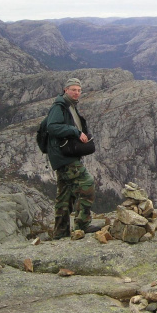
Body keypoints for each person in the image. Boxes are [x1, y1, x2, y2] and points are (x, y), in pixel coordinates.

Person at [46, 77, 97, 239]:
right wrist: (76, 132)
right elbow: (52, 127)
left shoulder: (69, 106)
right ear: (65, 90)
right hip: (64, 157)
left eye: (79, 90)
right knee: (87, 182)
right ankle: (82, 224)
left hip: (64, 156)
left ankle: (60, 233)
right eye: (73, 89)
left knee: (65, 195)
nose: (76, 93)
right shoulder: (59, 107)